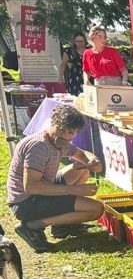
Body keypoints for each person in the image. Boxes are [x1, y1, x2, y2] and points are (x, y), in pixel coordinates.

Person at [5, 104, 103, 252]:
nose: (64, 135)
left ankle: (62, 225)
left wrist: (93, 160)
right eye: (61, 129)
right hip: (25, 203)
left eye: (70, 132)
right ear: (53, 123)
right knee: (96, 209)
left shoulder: (58, 142)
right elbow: (31, 186)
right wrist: (72, 190)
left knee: (80, 169)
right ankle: (33, 226)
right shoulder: (39, 146)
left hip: (36, 193)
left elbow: (82, 154)